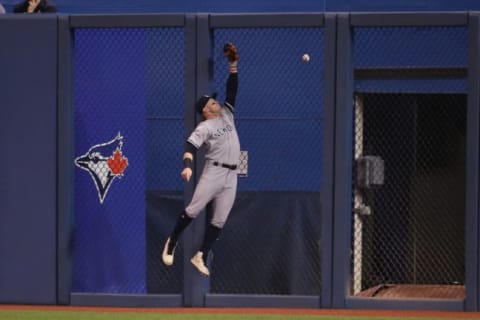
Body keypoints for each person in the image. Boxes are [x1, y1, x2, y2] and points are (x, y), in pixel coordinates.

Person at [162, 42, 241, 276]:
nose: (216, 102)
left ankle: (201, 255)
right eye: (211, 102)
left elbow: (232, 90)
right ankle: (172, 241)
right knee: (193, 210)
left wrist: (233, 65)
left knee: (220, 220)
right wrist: (187, 167)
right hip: (214, 171)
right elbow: (190, 145)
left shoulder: (227, 115)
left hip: (231, 175)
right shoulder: (204, 126)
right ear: (206, 110)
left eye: (215, 100)